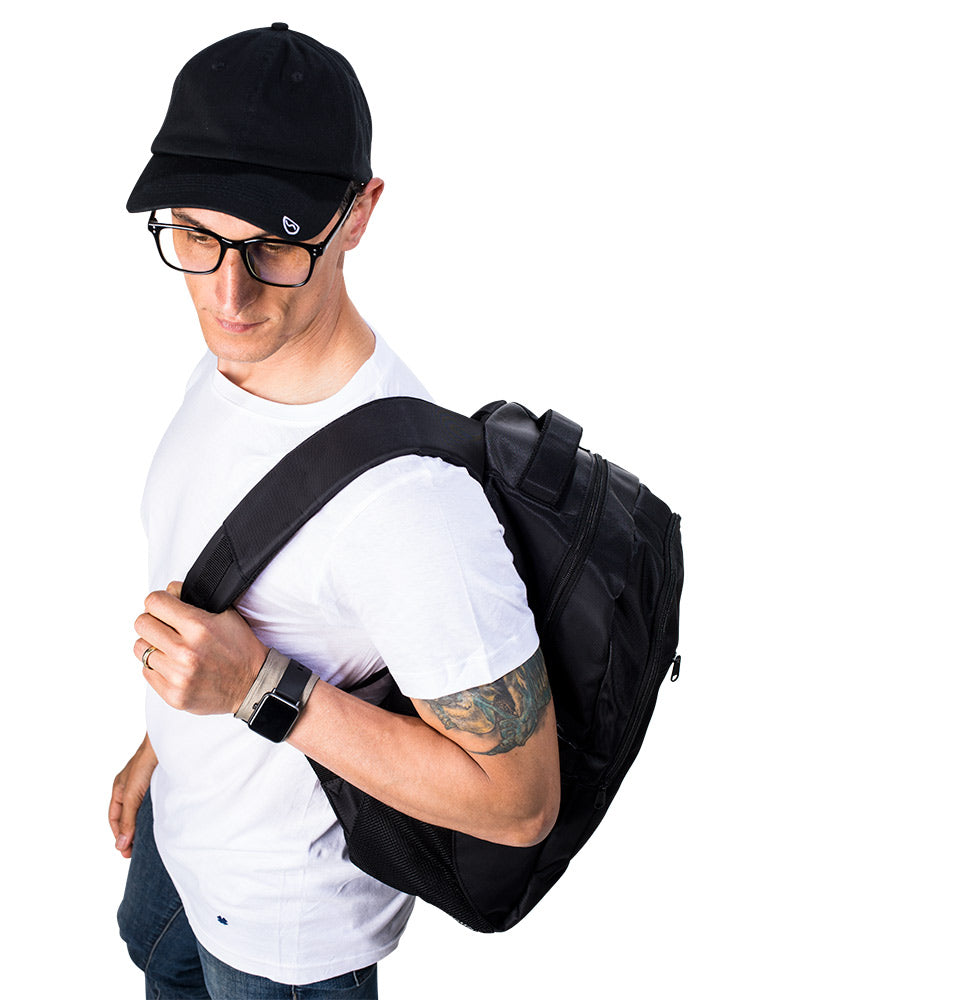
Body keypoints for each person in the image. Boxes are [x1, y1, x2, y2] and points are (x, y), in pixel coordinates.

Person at [109, 23, 560, 999]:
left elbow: (520, 801)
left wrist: (254, 687)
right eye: (195, 235)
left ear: (356, 213)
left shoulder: (412, 506)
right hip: (185, 838)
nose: (228, 292)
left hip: (285, 934)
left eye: (274, 244)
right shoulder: (234, 362)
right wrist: (163, 744)